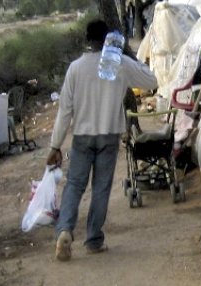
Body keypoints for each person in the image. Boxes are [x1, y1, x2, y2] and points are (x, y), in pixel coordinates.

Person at [47, 19, 158, 261]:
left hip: (82, 136)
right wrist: (127, 55)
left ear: (88, 40)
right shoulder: (118, 63)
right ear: (108, 39)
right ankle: (94, 240)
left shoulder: (75, 68)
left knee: (75, 185)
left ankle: (64, 230)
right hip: (108, 134)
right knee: (101, 188)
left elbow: (65, 110)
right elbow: (151, 81)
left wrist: (55, 146)